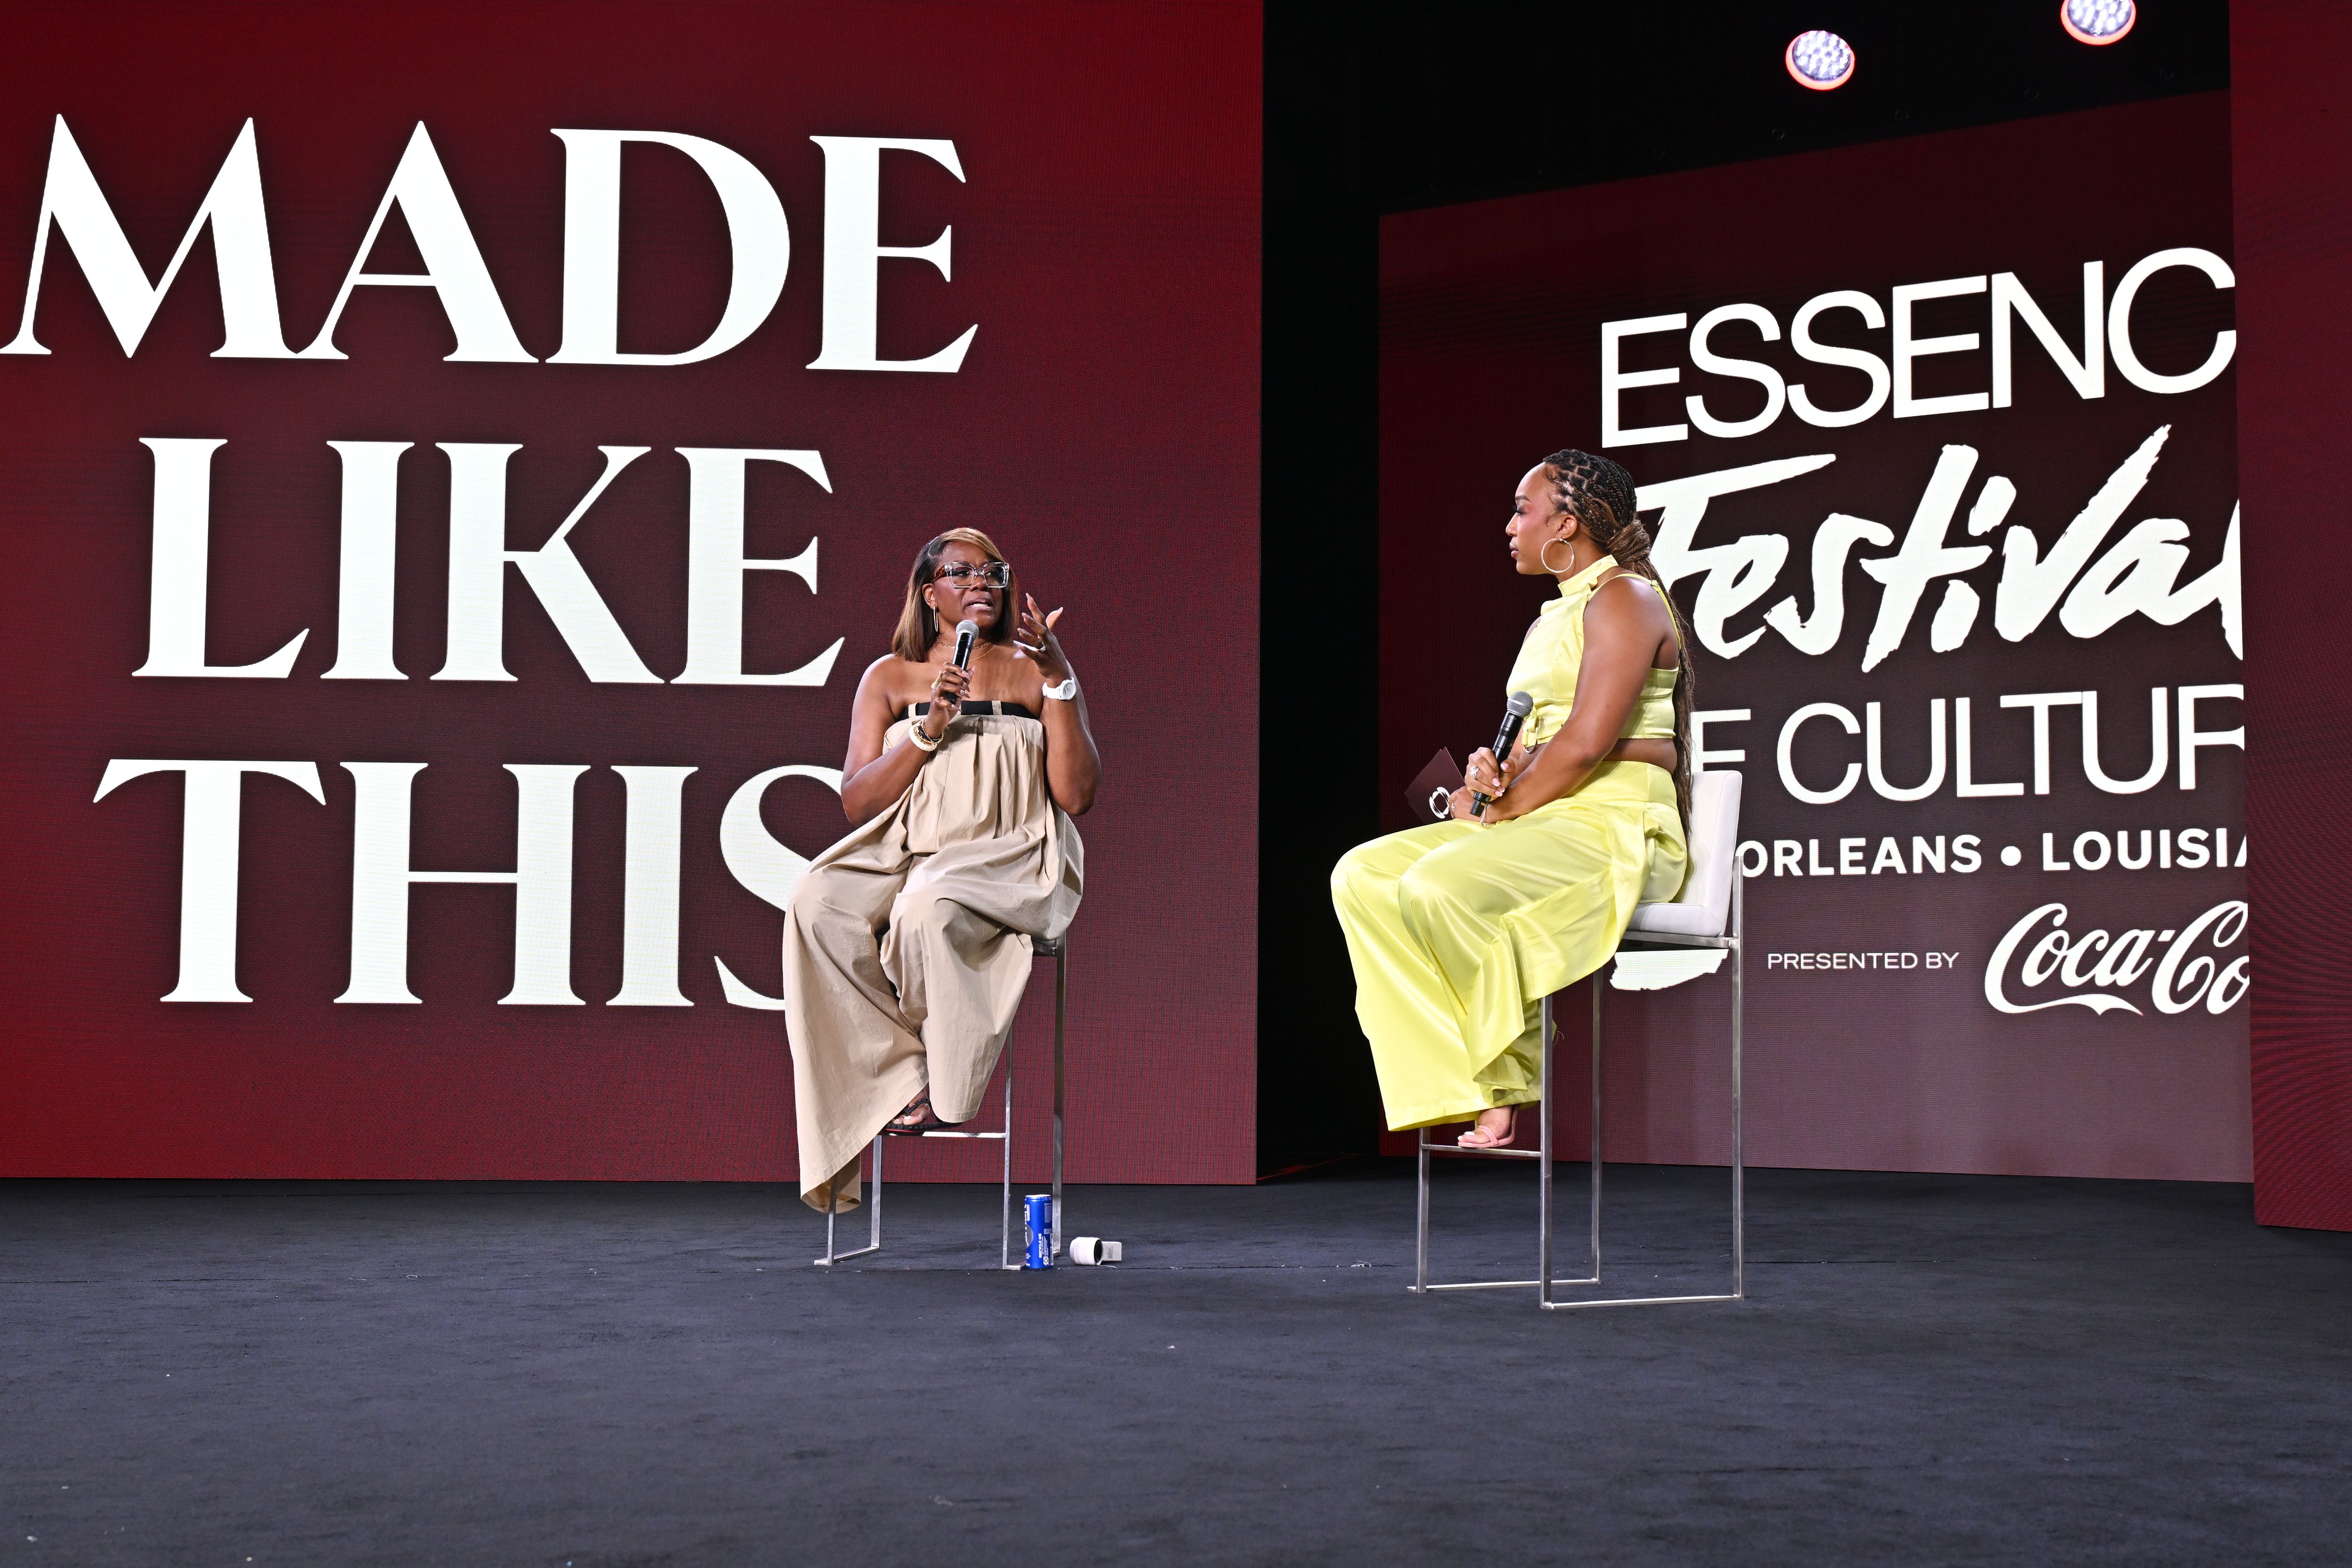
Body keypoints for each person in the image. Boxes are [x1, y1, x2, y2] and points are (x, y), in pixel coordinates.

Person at [1330, 450, 1694, 1148]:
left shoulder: (1627, 598)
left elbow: (1587, 743)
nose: (1509, 526)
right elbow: (1542, 743)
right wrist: (1494, 772)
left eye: (1522, 510)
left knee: (1440, 884)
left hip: (1615, 824)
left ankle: (1504, 1080)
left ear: (1568, 523)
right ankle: (1449, 1082)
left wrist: (1504, 806)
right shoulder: (1548, 621)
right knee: (1361, 876)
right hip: (1547, 816)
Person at [783, 528, 1099, 1212]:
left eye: (993, 571)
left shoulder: (1032, 670)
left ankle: (951, 1091)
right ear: (930, 594)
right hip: (907, 844)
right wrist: (928, 730)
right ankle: (905, 1076)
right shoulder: (890, 676)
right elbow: (858, 800)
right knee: (816, 902)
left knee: (928, 903)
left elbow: (1076, 796)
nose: (982, 582)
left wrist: (1059, 675)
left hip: (1008, 849)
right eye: (962, 572)